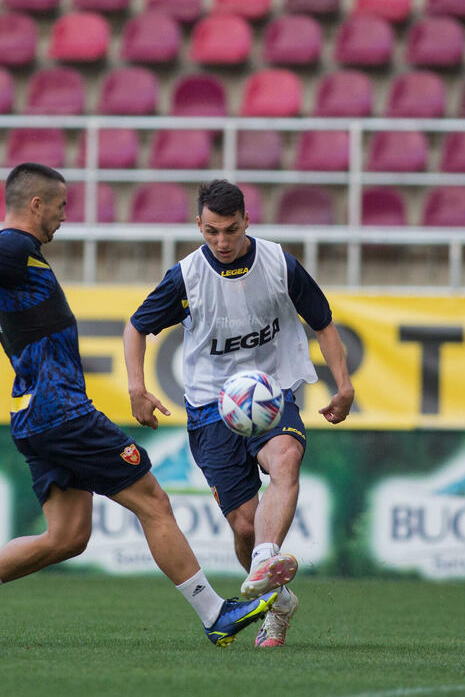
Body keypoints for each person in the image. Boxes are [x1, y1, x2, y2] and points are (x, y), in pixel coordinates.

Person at [0, 163, 276, 647]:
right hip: (61, 411)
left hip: (31, 413)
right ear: (36, 205)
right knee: (153, 502)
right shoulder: (13, 247)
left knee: (67, 537)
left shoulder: (10, 263)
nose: (64, 216)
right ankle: (214, 613)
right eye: (60, 206)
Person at [123, 179, 355, 648]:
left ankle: (268, 559)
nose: (222, 242)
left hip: (271, 393)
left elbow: (323, 323)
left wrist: (345, 385)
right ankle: (277, 596)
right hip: (211, 407)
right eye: (211, 232)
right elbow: (136, 327)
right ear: (198, 225)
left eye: (230, 230)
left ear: (247, 221)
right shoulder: (185, 277)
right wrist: (136, 387)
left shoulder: (279, 265)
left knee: (285, 458)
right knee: (244, 525)